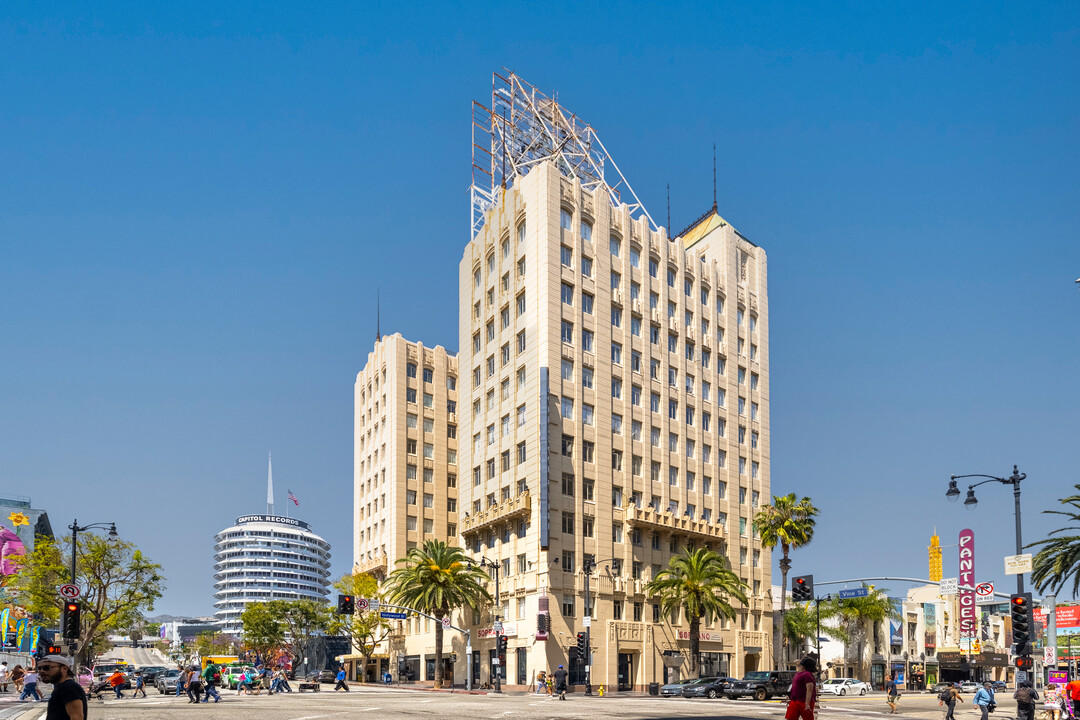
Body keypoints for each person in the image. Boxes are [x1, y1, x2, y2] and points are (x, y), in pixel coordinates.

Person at [37, 655, 86, 720]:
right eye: (39, 668)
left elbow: (77, 717)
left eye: (47, 668)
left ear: (64, 669)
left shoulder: (68, 688)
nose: (42, 671)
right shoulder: (61, 688)